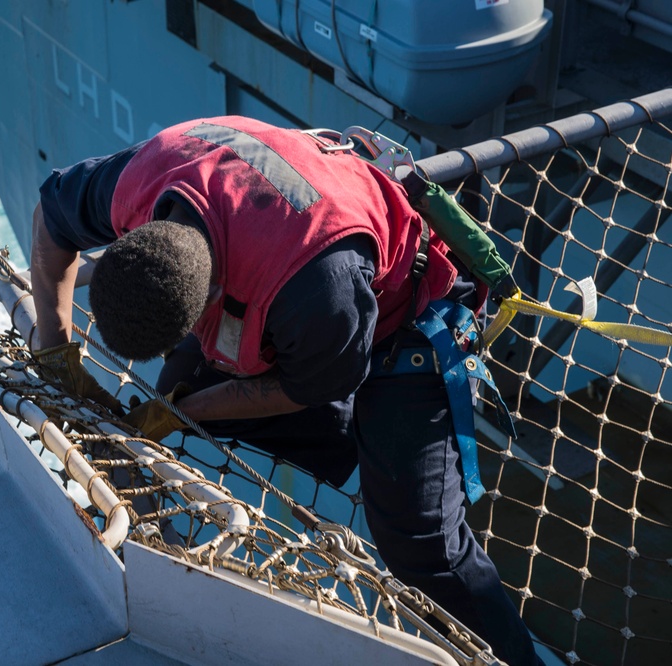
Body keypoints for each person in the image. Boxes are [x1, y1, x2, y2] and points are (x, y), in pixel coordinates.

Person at [29, 115, 543, 666]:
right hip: (306, 293)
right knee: (174, 392)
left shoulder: (311, 287)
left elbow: (310, 384)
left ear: (215, 295)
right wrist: (55, 349)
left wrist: (185, 411)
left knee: (418, 542)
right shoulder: (142, 179)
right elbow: (51, 219)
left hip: (409, 320)